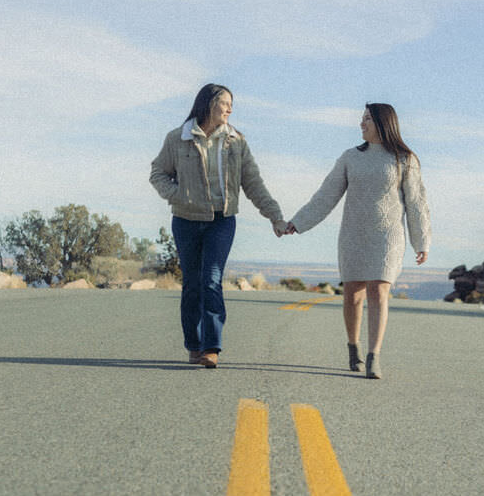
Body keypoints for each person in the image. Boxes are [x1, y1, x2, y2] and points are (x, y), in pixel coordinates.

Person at [286, 103, 431, 379]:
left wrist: (421, 241)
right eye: (361, 119)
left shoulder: (404, 159)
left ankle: (374, 355)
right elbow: (326, 195)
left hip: (388, 235)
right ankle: (353, 346)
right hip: (354, 233)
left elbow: (416, 203)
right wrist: (299, 222)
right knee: (353, 295)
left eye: (366, 119)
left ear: (382, 123)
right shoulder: (350, 157)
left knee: (379, 291)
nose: (361, 124)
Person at [150, 84, 287, 368]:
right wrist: (179, 196)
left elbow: (253, 184)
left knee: (211, 278)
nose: (230, 109)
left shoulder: (236, 142)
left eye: (231, 104)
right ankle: (194, 344)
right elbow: (158, 173)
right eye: (225, 103)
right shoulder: (178, 138)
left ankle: (212, 347)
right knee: (192, 283)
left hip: (221, 221)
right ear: (208, 104)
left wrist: (275, 216)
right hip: (186, 221)